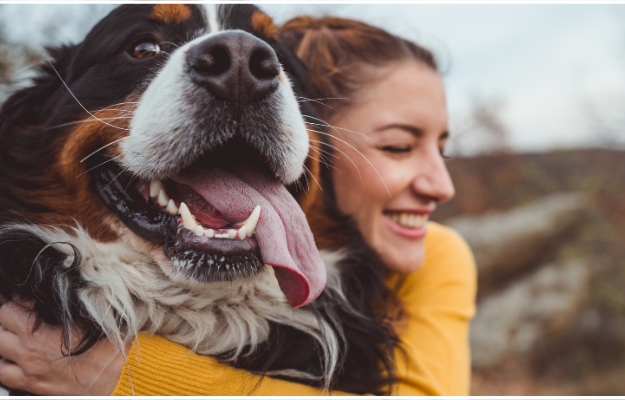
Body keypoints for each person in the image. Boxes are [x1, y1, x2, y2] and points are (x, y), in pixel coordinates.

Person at [0, 15, 476, 396]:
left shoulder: (439, 256)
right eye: (143, 49)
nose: (442, 185)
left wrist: (121, 378)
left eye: (273, 65)